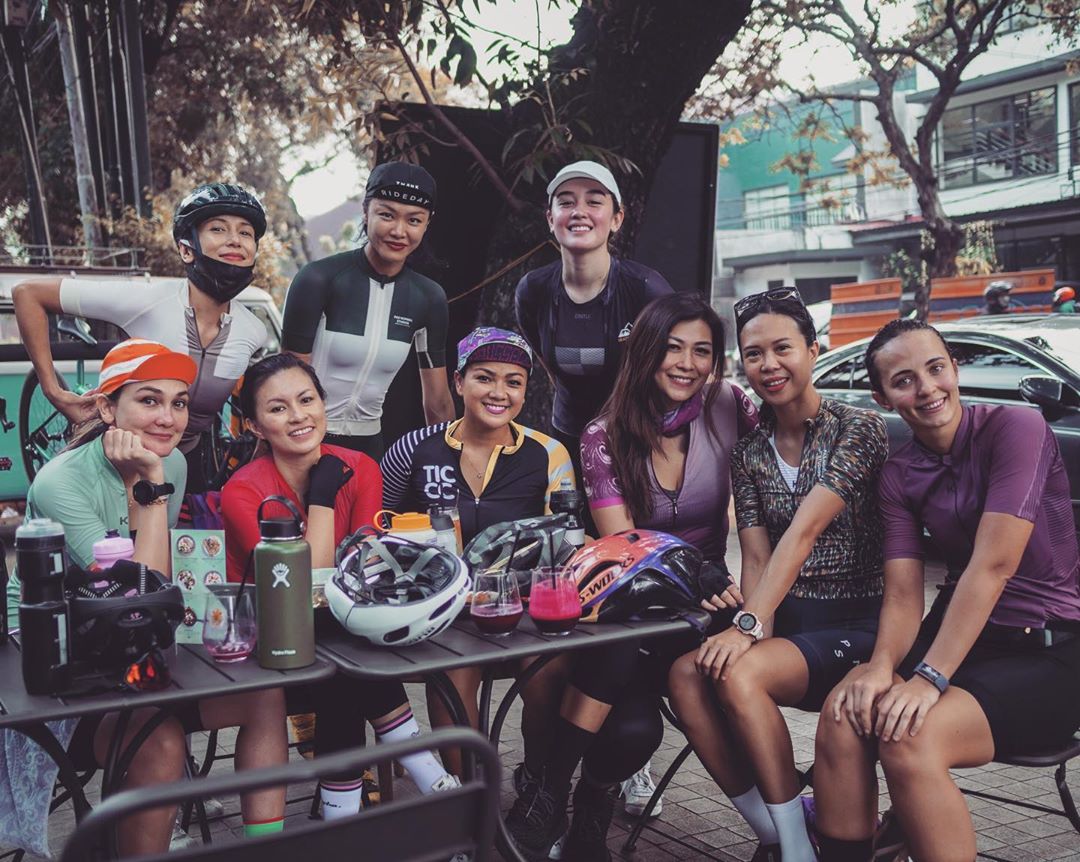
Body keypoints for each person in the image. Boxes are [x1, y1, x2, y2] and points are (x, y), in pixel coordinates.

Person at [2, 339, 287, 857]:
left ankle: (265, 849)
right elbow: (135, 598)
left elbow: (152, 591)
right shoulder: (60, 482)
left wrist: (154, 480)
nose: (168, 418)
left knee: (264, 696)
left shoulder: (171, 463)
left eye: (178, 403)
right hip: (56, 654)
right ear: (108, 408)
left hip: (132, 644)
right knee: (160, 739)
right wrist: (149, 485)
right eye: (149, 401)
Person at [813, 318, 1080, 862]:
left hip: (1053, 643)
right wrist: (884, 665)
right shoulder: (899, 472)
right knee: (846, 710)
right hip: (964, 633)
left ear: (955, 369)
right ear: (882, 395)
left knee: (910, 737)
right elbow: (905, 591)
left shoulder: (1017, 429)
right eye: (904, 379)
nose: (928, 388)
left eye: (936, 368)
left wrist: (929, 678)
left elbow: (993, 564)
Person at [504, 292, 758, 862]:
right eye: (673, 347)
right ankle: (573, 804)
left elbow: (783, 444)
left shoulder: (729, 405)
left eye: (702, 350)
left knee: (634, 726)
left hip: (702, 608)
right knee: (632, 728)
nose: (687, 363)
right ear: (645, 351)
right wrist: (692, 568)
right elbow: (621, 547)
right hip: (628, 602)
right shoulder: (603, 435)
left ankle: (558, 792)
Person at [665, 287, 888, 862]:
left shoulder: (857, 428)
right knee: (688, 673)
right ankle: (775, 831)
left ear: (813, 350)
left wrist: (747, 625)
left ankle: (795, 850)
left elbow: (805, 531)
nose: (769, 365)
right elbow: (758, 554)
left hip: (860, 626)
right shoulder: (750, 450)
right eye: (754, 354)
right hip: (791, 630)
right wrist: (752, 627)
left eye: (783, 348)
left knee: (740, 675)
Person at [220, 353, 459, 820]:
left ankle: (341, 822)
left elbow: (366, 568)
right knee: (345, 668)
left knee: (344, 668)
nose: (298, 416)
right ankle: (428, 777)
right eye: (278, 408)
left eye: (307, 399)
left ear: (324, 403)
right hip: (268, 643)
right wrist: (324, 497)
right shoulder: (243, 491)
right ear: (253, 426)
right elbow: (306, 586)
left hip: (341, 632)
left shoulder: (361, 466)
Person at [379, 327, 575, 778]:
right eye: (485, 378)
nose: (499, 392)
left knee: (550, 671)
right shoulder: (413, 449)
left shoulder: (549, 453)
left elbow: (566, 548)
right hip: (442, 610)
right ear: (459, 382)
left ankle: (539, 779)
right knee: (452, 674)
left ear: (526, 390)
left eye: (513, 381)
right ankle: (467, 794)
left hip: (525, 608)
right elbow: (381, 530)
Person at [13, 183, 272, 492]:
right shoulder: (146, 300)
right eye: (218, 229)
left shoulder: (253, 332)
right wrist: (54, 391)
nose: (235, 240)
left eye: (246, 233)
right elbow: (27, 294)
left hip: (187, 454)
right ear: (186, 249)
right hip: (117, 451)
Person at [281, 162, 455, 462]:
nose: (399, 231)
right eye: (386, 215)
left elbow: (438, 403)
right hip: (304, 442)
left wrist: (447, 467)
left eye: (414, 220)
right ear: (366, 211)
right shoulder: (319, 279)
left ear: (428, 223)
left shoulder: (428, 298)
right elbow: (285, 380)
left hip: (368, 450)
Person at [514, 160, 673, 484]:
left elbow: (681, 366)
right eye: (566, 201)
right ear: (550, 218)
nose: (579, 211)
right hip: (568, 438)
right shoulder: (534, 290)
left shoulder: (646, 289)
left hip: (639, 443)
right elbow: (546, 361)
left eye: (594, 201)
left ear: (617, 219)